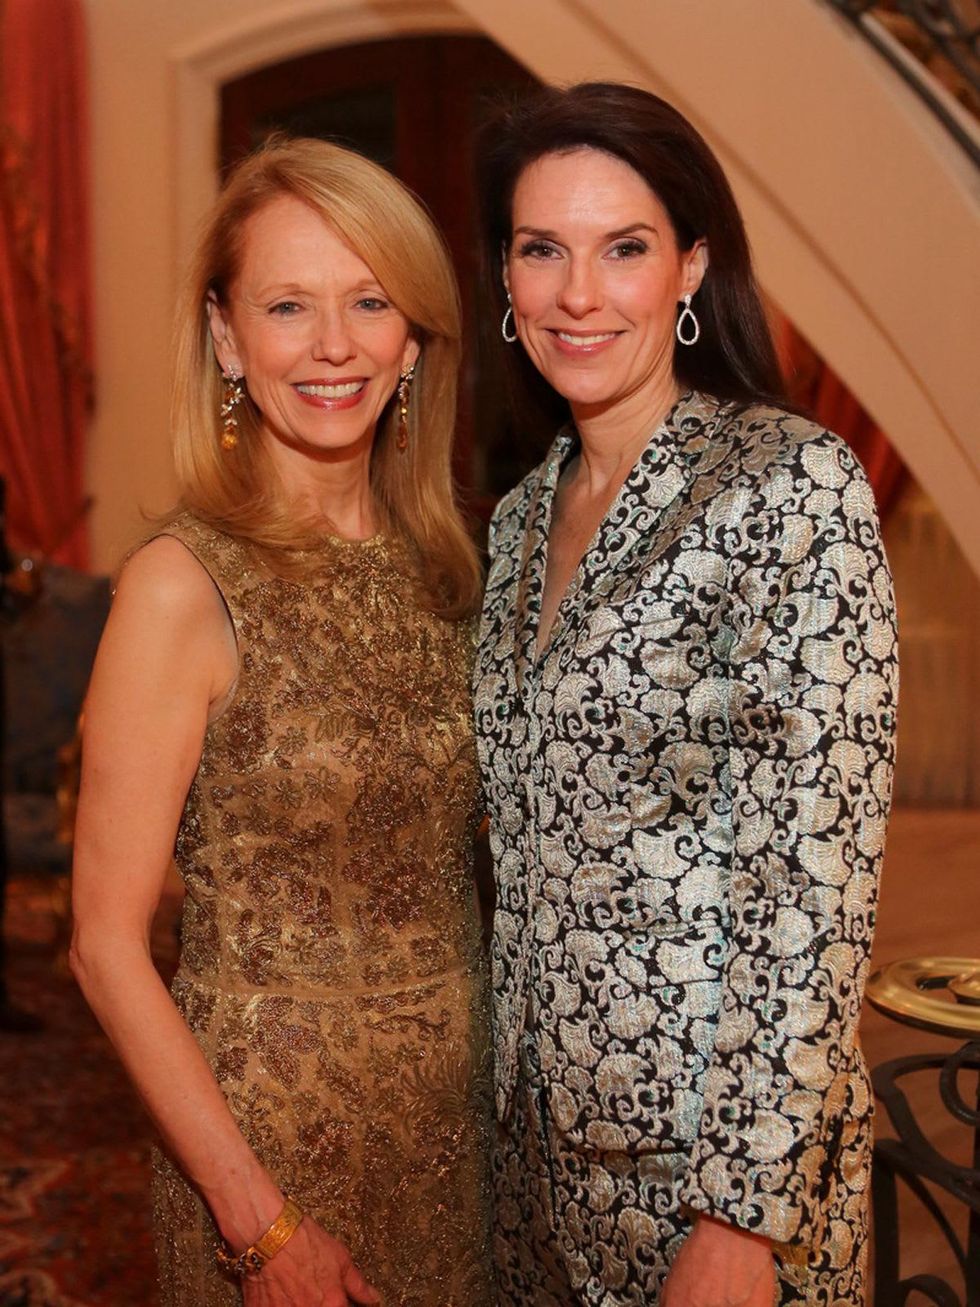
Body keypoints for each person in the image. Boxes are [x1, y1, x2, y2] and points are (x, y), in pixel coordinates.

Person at [473, 82, 898, 1306]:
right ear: (504, 275)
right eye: (539, 248)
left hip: (711, 1189)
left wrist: (741, 1224)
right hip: (536, 1176)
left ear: (689, 269)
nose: (575, 293)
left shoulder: (788, 487)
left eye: (623, 248)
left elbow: (811, 885)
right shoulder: (515, 518)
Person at [70, 137, 494, 1307]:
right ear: (224, 335)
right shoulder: (180, 584)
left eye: (370, 302)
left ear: (411, 336)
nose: (332, 345)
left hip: (458, 1146)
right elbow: (104, 944)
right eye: (287, 304)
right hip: (265, 1161)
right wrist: (259, 1223)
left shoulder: (450, 564)